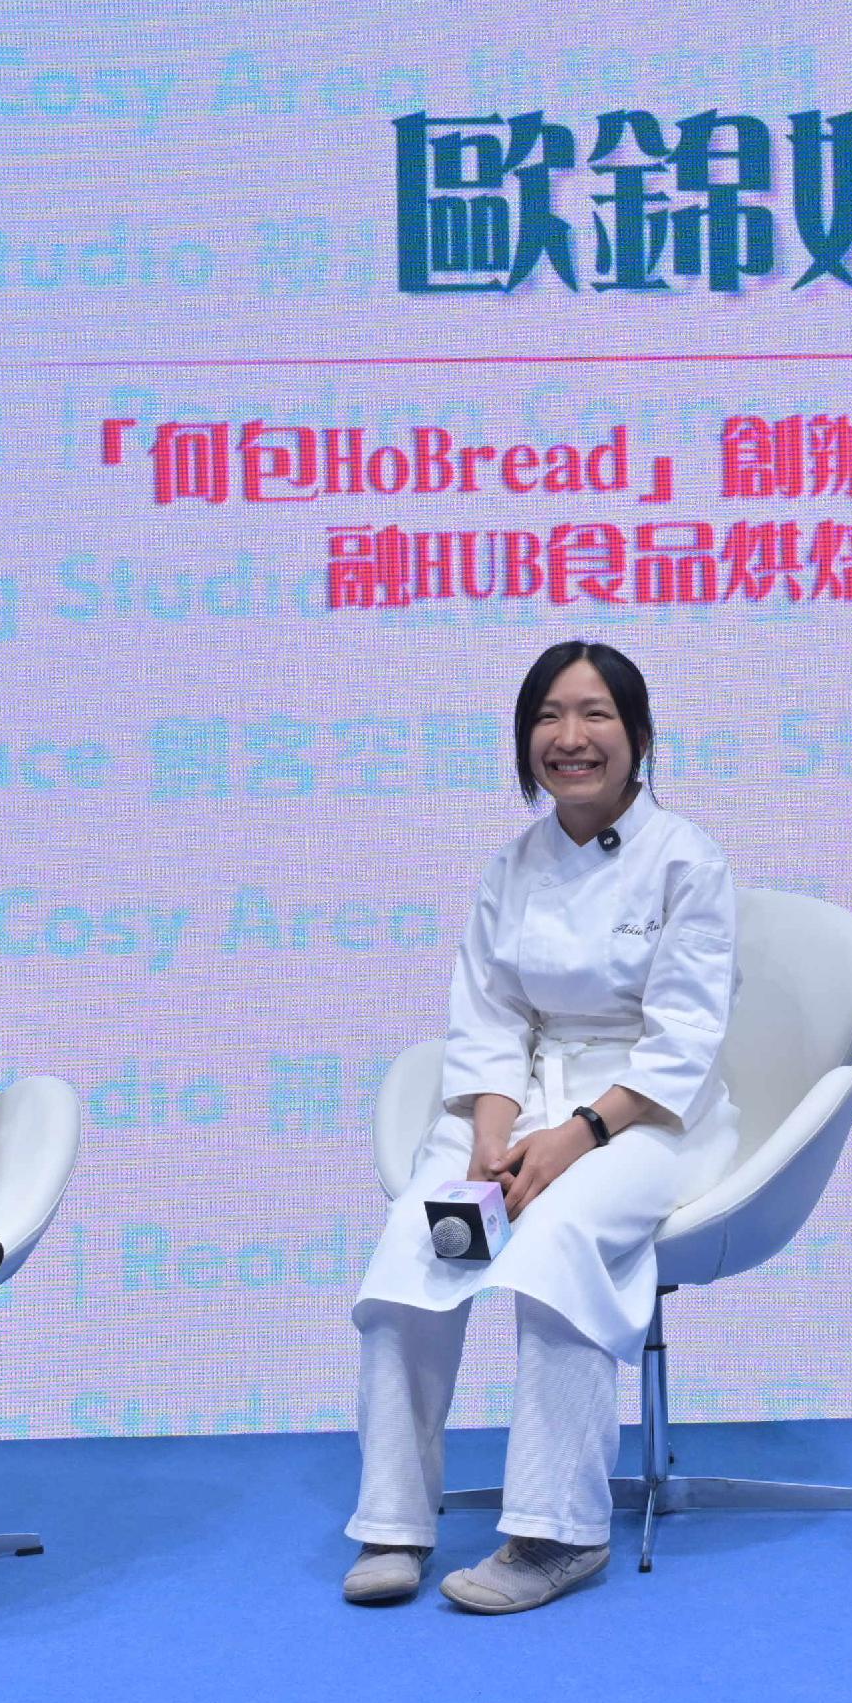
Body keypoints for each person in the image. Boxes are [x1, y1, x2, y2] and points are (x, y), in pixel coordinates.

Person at [343, 641, 739, 1614]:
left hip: (647, 1116)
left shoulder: (687, 856)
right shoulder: (511, 863)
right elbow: (484, 1014)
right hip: (518, 1100)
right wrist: (489, 1129)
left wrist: (576, 1135)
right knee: (415, 1246)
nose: (571, 737)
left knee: (554, 1242)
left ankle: (559, 1530)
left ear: (638, 736)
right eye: (549, 715)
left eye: (596, 713)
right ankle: (394, 1518)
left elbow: (686, 1032)